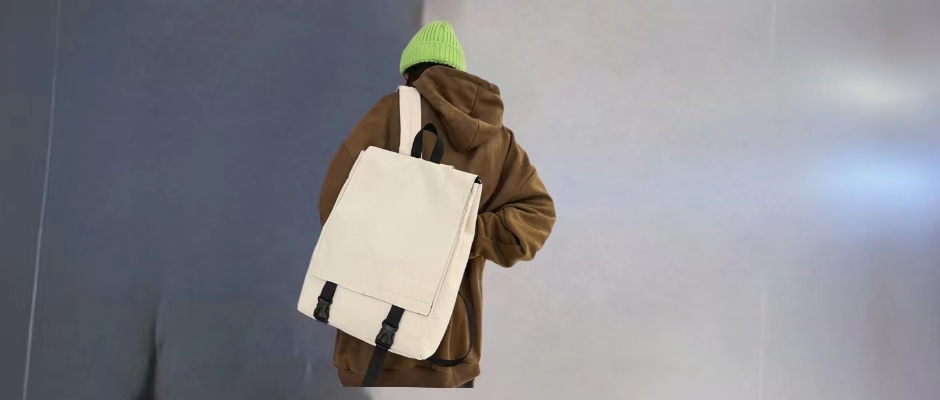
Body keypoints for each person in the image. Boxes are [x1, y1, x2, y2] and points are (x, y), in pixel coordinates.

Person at [317, 20, 556, 388]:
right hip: (453, 343)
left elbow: (334, 204)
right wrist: (466, 234)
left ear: (411, 73)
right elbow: (537, 215)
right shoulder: (498, 139)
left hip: (376, 339)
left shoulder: (391, 113)